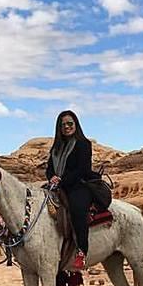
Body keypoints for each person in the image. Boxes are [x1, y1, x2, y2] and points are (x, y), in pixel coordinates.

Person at [46, 110, 99, 272]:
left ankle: (82, 250)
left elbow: (82, 169)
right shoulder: (56, 147)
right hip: (58, 186)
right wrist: (52, 177)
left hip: (78, 185)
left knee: (77, 209)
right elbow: (49, 168)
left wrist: (62, 180)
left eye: (70, 123)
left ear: (75, 124)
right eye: (63, 125)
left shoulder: (84, 144)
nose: (67, 127)